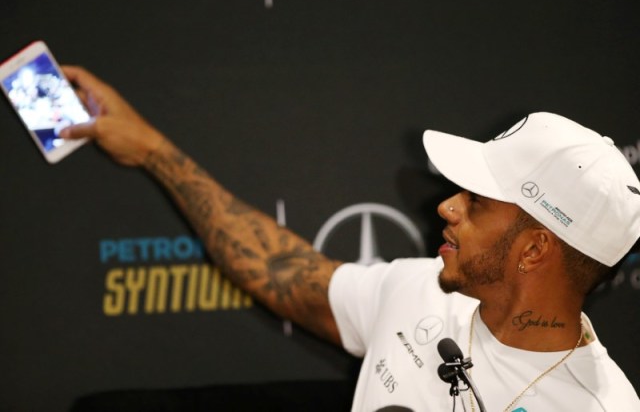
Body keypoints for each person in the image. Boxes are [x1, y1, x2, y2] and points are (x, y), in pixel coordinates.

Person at [60, 66, 640, 411]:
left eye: (478, 202)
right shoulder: (420, 288)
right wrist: (154, 150)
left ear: (535, 248)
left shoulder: (604, 405)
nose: (447, 206)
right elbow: (284, 271)